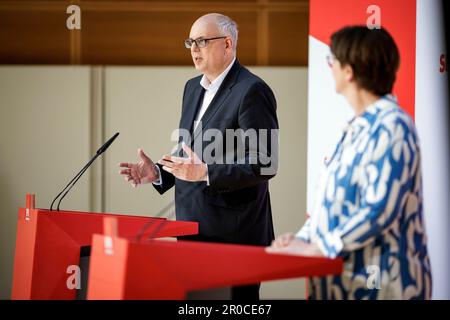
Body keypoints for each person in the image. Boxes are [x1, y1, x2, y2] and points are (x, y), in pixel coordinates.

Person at [119, 13, 279, 300]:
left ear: (228, 44)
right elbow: (190, 151)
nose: (194, 48)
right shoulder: (192, 87)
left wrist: (206, 172)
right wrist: (158, 172)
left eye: (202, 41)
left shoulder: (252, 90)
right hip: (192, 229)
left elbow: (265, 162)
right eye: (190, 42)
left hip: (234, 237)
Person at [266, 26, 432, 300]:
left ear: (349, 71)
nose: (329, 68)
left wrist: (320, 249)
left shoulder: (393, 126)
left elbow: (379, 209)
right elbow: (331, 204)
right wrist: (302, 239)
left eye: (333, 61)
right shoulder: (354, 128)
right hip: (341, 283)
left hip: (381, 286)